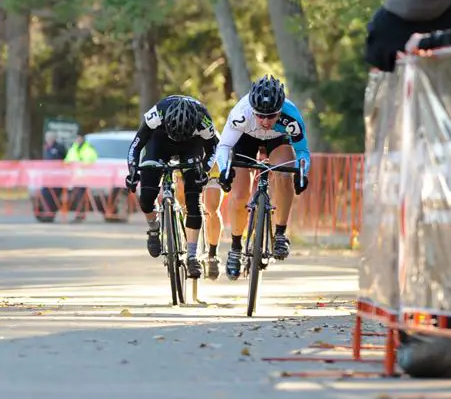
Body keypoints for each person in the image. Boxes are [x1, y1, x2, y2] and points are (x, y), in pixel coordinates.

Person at [215, 75, 311, 280]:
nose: (266, 121)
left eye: (272, 116)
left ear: (280, 110)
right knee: (240, 194)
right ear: (252, 109)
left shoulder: (291, 116)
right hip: (246, 139)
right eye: (260, 116)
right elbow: (223, 147)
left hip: (278, 140)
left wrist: (302, 173)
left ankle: (280, 234)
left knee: (285, 174)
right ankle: (235, 247)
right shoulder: (241, 114)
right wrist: (224, 170)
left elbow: (302, 151)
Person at [125, 95, 217, 279]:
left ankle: (192, 256)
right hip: (159, 142)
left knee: (193, 198)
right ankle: (153, 228)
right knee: (146, 197)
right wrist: (133, 171)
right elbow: (136, 145)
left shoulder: (203, 120)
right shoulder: (157, 113)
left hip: (191, 145)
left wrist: (205, 171)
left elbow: (214, 148)